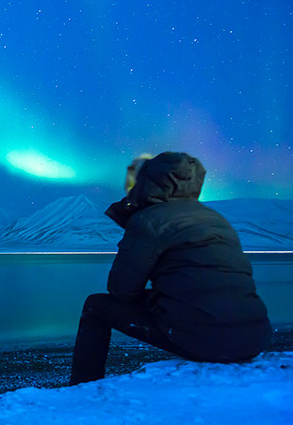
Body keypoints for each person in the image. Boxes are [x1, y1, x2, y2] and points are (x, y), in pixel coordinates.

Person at [69, 151, 272, 385]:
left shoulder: (149, 220)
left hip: (210, 344)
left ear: (148, 182)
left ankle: (82, 386)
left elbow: (121, 290)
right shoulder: (216, 219)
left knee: (95, 306)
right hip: (254, 339)